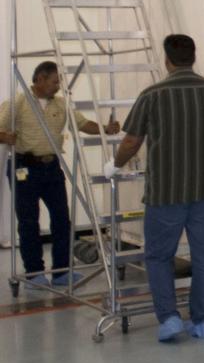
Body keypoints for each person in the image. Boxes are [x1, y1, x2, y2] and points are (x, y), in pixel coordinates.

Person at [106, 34, 204, 342]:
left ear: (166, 60)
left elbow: (131, 141)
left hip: (166, 192)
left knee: (159, 256)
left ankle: (169, 319)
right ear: (194, 56)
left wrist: (115, 164)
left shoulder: (152, 94)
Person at [0, 61, 120, 287]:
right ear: (40, 79)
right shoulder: (18, 102)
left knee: (62, 220)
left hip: (51, 168)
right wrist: (5, 136)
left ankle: (61, 272)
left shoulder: (60, 104)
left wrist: (105, 128)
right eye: (55, 82)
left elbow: (82, 124)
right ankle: (34, 274)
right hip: (24, 168)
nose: (58, 86)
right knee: (28, 222)